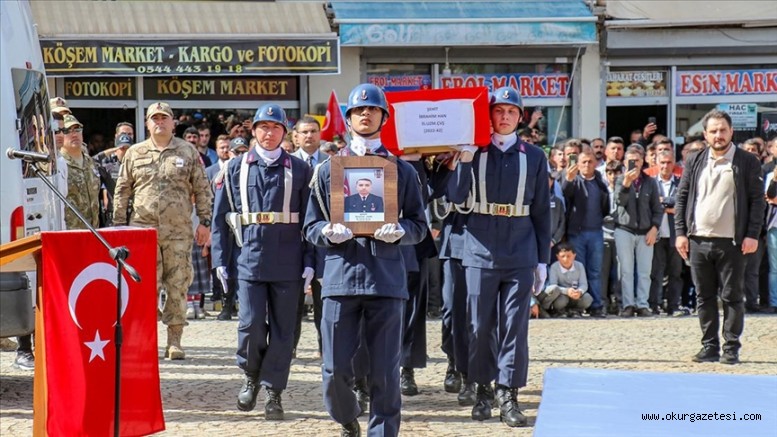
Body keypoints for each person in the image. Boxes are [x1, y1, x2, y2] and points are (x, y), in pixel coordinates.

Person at [303, 83, 427, 437]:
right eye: (359, 110)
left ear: (383, 118)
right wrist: (327, 232)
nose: (366, 114)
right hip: (341, 277)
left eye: (373, 109)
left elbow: (420, 225)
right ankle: (346, 418)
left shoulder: (401, 171)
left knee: (386, 373)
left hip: (386, 279)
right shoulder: (328, 170)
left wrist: (401, 231)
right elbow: (309, 226)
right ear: (350, 118)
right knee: (334, 370)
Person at [446, 86, 551, 427]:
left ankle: (508, 392)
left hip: (520, 246)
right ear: (489, 115)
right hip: (480, 245)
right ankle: (482, 389)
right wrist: (461, 160)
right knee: (479, 325)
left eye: (511, 111)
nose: (504, 116)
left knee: (515, 326)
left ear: (520, 117)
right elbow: (457, 200)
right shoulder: (474, 152)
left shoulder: (534, 157)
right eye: (499, 110)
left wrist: (542, 260)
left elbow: (541, 212)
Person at [211, 103, 313, 420]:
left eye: (276, 128)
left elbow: (310, 219)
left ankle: (273, 392)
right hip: (249, 259)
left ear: (285, 133)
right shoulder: (234, 168)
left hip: (289, 261)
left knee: (284, 331)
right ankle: (251, 375)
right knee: (251, 325)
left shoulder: (300, 169)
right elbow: (219, 220)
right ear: (254, 131)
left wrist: (311, 262)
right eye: (263, 127)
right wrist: (220, 260)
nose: (269, 134)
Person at [113, 102, 213, 360]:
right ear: (146, 123)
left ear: (172, 123)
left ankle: (174, 340)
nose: (159, 122)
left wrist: (205, 221)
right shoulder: (135, 153)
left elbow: (202, 188)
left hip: (178, 232)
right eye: (154, 118)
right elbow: (122, 190)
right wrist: (119, 226)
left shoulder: (188, 151)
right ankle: (146, 340)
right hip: (141, 232)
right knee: (144, 288)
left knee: (178, 285)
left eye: (164, 118)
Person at [675, 109, 765, 365]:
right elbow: (682, 198)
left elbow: (757, 201)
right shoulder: (694, 160)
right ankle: (709, 346)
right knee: (704, 297)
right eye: (713, 131)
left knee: (732, 297)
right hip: (698, 240)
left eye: (723, 130)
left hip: (733, 242)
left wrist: (752, 234)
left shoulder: (747, 161)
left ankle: (731, 348)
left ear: (731, 131)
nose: (718, 135)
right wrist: (681, 233)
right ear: (705, 134)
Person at [561, 149, 610, 317]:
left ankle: (596, 305)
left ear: (595, 164)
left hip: (596, 232)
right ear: (578, 164)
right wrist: (569, 178)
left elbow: (606, 206)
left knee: (595, 271)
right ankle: (577, 305)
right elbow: (565, 194)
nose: (587, 165)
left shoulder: (600, 182)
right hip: (577, 233)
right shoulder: (573, 180)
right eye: (583, 162)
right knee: (577, 272)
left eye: (590, 162)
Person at [649, 150, 684, 316]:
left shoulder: (680, 183)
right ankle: (654, 304)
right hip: (656, 234)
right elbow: (651, 204)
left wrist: (664, 203)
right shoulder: (651, 183)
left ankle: (673, 305)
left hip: (675, 235)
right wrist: (669, 206)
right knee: (656, 272)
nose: (665, 166)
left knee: (675, 273)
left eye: (669, 162)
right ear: (656, 164)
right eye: (662, 162)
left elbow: (682, 204)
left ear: (674, 164)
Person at [59, 114, 100, 230]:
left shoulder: (90, 162)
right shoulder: (58, 164)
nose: (74, 134)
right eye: (67, 131)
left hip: (94, 232)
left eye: (77, 129)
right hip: (70, 232)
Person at [538, 243, 594, 317]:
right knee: (560, 301)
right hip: (562, 295)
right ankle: (559, 311)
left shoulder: (579, 266)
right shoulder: (554, 267)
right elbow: (553, 285)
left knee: (588, 298)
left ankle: (575, 311)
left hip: (575, 294)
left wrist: (580, 292)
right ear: (557, 256)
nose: (565, 259)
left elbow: (584, 284)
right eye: (562, 256)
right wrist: (567, 291)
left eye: (569, 256)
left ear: (574, 255)